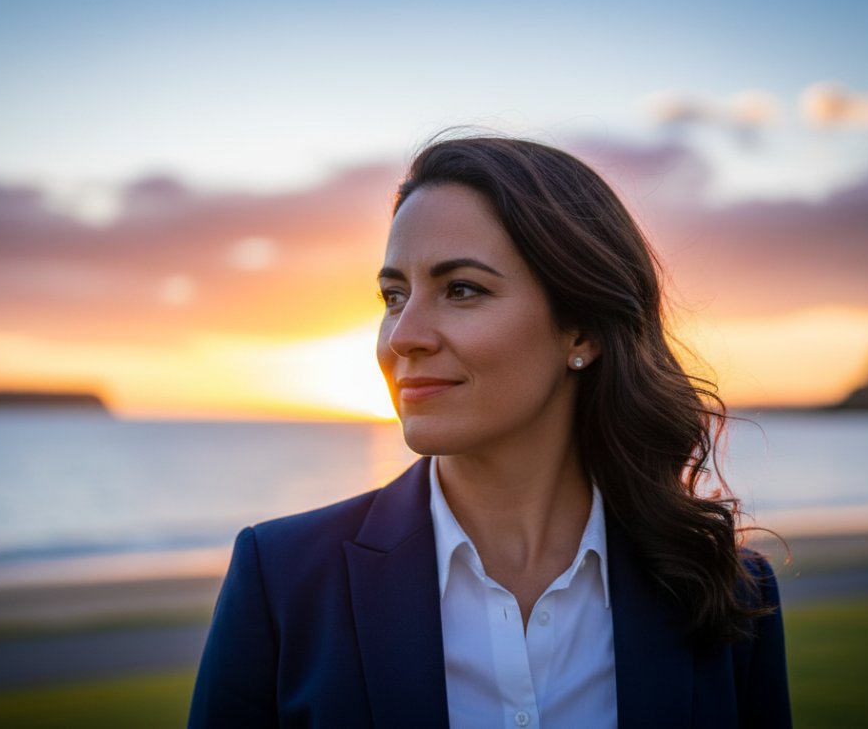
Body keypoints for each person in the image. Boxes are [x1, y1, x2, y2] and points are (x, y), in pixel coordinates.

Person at [188, 135, 791, 728]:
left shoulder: (724, 590)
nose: (403, 335)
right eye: (394, 295)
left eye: (462, 290)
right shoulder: (283, 580)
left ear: (581, 331)